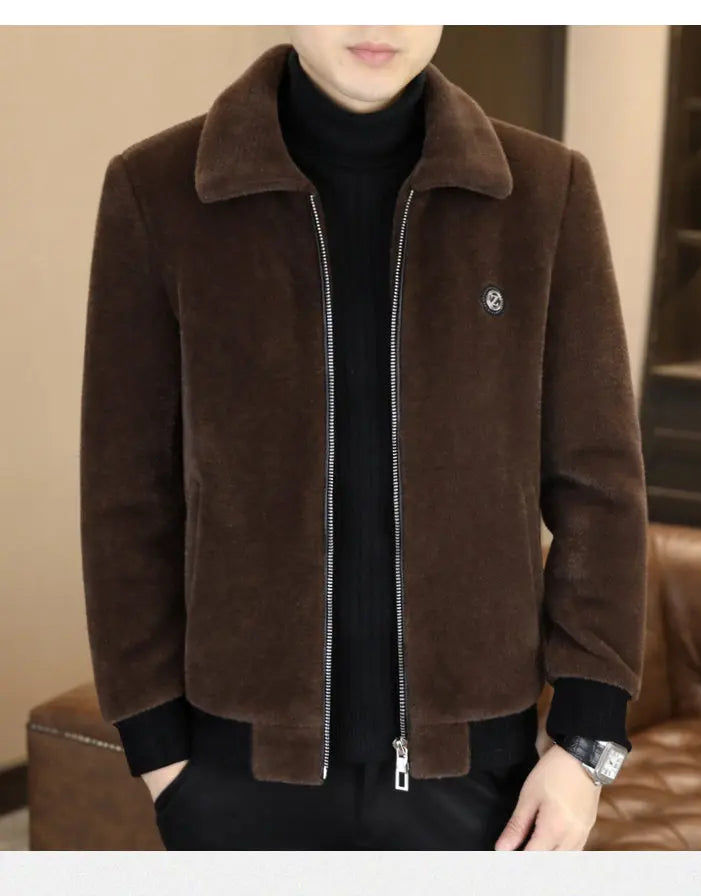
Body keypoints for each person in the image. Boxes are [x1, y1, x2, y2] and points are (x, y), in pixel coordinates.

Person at [80, 26, 648, 851]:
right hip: (235, 778)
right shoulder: (158, 190)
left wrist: (586, 746)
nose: (379, 20)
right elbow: (124, 494)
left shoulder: (543, 192)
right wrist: (160, 753)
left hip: (479, 783)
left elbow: (600, 487)